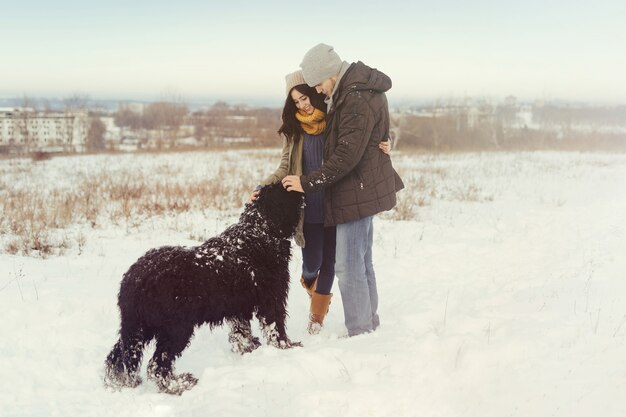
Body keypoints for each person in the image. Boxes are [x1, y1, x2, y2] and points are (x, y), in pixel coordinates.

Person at [254, 69, 390, 335]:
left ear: (314, 94)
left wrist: (384, 142)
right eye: (295, 102)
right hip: (307, 208)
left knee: (330, 263)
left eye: (305, 98)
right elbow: (285, 166)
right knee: (311, 265)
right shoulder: (293, 132)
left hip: (333, 203)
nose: (303, 105)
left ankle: (316, 317)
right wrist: (265, 185)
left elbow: (356, 143)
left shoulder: (332, 120)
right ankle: (313, 287)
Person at [282, 43, 404, 337]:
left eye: (319, 84)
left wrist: (307, 182)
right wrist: (382, 141)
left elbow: (345, 157)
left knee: (348, 268)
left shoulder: (354, 97)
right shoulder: (356, 90)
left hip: (355, 190)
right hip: (361, 187)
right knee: (362, 263)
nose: (318, 92)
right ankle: (369, 324)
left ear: (330, 74)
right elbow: (373, 132)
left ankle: (360, 331)